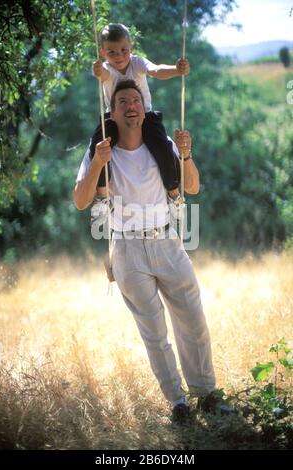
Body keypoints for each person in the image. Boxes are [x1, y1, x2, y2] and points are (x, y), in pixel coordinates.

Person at [74, 80, 226, 425]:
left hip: (166, 241)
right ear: (111, 112)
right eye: (123, 101)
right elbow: (81, 201)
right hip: (126, 249)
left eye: (136, 100)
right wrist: (98, 162)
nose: (131, 105)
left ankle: (205, 394)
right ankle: (178, 402)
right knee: (153, 331)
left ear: (144, 108)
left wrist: (186, 155)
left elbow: (192, 186)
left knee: (193, 320)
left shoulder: (162, 143)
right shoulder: (100, 149)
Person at [90, 23, 190, 226]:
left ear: (131, 47)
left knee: (162, 145)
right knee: (98, 145)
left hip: (145, 117)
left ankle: (173, 192)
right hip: (114, 118)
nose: (118, 56)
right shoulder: (107, 69)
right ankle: (102, 195)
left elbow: (155, 70)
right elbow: (103, 75)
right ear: (103, 53)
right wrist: (97, 70)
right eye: (111, 52)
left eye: (123, 50)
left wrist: (176, 70)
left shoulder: (137, 63)